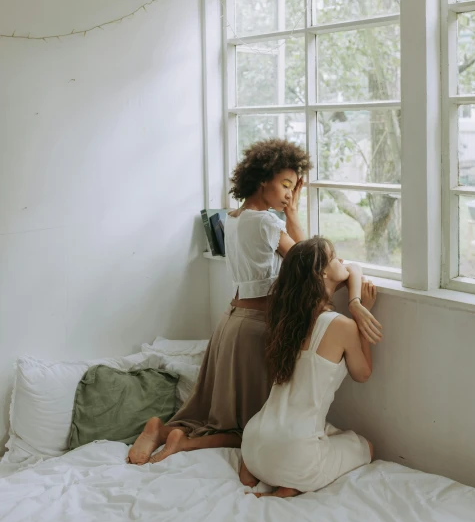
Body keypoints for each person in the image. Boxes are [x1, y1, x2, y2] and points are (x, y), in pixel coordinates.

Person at [128, 138, 311, 465]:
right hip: (254, 329)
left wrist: (289, 204)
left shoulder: (235, 218)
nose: (288, 194)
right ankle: (182, 442)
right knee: (250, 429)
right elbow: (308, 261)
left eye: (294, 188)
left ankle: (160, 428)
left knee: (216, 414)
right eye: (285, 185)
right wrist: (293, 214)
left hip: (230, 322)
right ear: (262, 179)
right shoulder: (267, 222)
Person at [241, 237, 379, 498]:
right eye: (334, 256)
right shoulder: (342, 326)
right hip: (293, 452)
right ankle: (290, 484)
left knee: (325, 432)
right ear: (323, 272)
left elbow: (354, 268)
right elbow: (363, 373)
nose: (342, 261)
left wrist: (354, 301)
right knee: (366, 447)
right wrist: (360, 314)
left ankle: (259, 472)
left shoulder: (287, 320)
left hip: (253, 440)